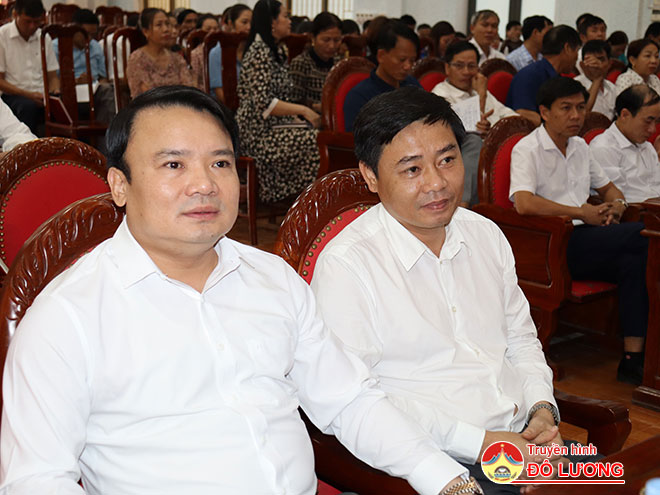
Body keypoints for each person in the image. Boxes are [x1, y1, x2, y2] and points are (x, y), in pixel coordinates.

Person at [0, 85, 472, 495]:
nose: (204, 184)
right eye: (174, 164)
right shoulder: (67, 317)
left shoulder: (273, 279)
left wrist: (445, 478)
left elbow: (350, 400)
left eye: (220, 163)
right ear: (119, 185)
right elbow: (37, 479)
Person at [311, 87, 563, 495]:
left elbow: (520, 340)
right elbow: (357, 398)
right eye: (412, 169)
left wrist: (541, 409)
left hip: (525, 441)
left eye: (447, 160)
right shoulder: (348, 265)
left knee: (629, 481)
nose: (437, 183)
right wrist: (483, 443)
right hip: (437, 460)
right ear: (371, 176)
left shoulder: (485, 234)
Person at [509, 77, 648, 384]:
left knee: (635, 261)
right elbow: (524, 203)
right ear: (544, 112)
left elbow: (610, 190)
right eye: (566, 108)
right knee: (643, 235)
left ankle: (633, 359)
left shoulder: (581, 146)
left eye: (581, 107)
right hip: (552, 245)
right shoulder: (527, 149)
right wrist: (581, 212)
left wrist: (617, 206)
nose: (576, 116)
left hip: (587, 240)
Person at [236, 0, 320, 203]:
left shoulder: (277, 50)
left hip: (275, 124)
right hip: (257, 130)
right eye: (285, 16)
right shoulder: (259, 51)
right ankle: (304, 204)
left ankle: (305, 201)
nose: (289, 21)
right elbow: (264, 103)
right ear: (272, 22)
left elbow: (282, 97)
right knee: (315, 140)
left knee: (319, 135)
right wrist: (304, 110)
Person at [432, 40, 517, 205]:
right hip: (459, 153)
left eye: (471, 66)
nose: (466, 72)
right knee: (473, 141)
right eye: (459, 66)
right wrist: (482, 96)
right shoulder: (440, 94)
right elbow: (463, 130)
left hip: (491, 153)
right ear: (447, 68)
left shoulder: (478, 90)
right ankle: (462, 205)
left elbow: (511, 117)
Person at [343, 20, 421, 133]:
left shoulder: (413, 86)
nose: (408, 66)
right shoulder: (360, 96)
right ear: (381, 56)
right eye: (402, 60)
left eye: (412, 60)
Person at [590, 84, 660, 202]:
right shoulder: (603, 148)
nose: (653, 129)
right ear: (625, 115)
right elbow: (614, 201)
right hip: (636, 211)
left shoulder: (647, 146)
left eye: (657, 122)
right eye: (648, 121)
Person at [0, 0, 59, 135]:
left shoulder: (44, 37)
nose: (32, 26)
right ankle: (28, 146)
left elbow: (53, 77)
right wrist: (29, 95)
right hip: (13, 95)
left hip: (41, 94)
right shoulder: (2, 36)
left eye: (36, 22)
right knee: (28, 107)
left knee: (64, 106)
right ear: (15, 15)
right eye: (28, 21)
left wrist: (55, 91)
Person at [506, 25, 581, 126]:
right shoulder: (529, 75)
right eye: (577, 50)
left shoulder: (558, 77)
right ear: (567, 48)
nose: (577, 57)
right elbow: (523, 113)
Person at [53, 8, 116, 124]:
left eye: (93, 35)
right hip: (67, 92)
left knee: (109, 91)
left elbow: (103, 78)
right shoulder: (56, 47)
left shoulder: (95, 46)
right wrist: (75, 82)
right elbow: (52, 81)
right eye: (85, 34)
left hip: (94, 91)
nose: (89, 39)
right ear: (74, 29)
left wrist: (96, 83)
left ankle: (104, 133)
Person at [126, 8, 194, 99]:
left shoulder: (177, 58)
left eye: (167, 24)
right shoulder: (137, 58)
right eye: (159, 25)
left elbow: (189, 90)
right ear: (146, 32)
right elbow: (146, 95)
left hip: (179, 105)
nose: (166, 29)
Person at [290, 12, 342, 112]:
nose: (332, 46)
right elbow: (294, 101)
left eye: (337, 40)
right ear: (313, 38)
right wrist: (315, 106)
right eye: (326, 40)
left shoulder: (339, 64)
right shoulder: (301, 63)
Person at [209, 3, 252, 103]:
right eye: (244, 22)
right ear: (230, 24)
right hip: (225, 107)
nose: (249, 27)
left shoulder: (253, 50)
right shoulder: (217, 53)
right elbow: (221, 95)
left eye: (252, 23)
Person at [575, 40, 616, 119]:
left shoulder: (612, 88)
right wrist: (597, 79)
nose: (596, 64)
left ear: (609, 63)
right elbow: (582, 113)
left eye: (601, 60)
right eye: (591, 61)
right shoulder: (575, 84)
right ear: (582, 65)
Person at [190, 14, 220, 90]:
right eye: (208, 29)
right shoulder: (196, 53)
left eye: (215, 29)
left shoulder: (221, 50)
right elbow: (194, 80)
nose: (212, 32)